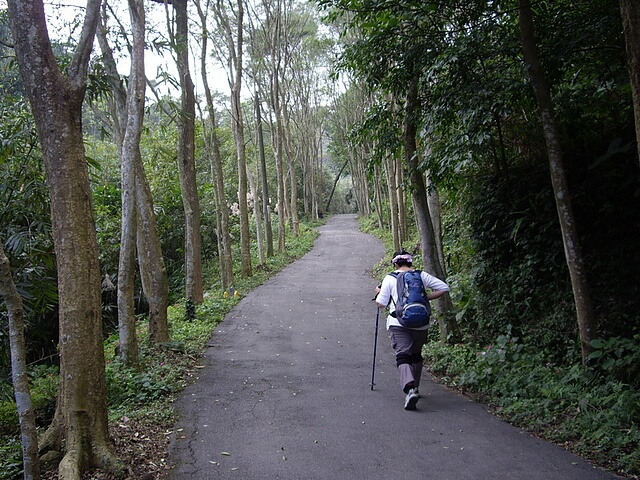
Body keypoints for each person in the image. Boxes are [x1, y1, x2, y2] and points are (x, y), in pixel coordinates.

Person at [375, 250, 450, 410]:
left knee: (403, 355)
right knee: (416, 355)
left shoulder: (390, 278)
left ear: (395, 263)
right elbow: (444, 287)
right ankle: (415, 385)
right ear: (410, 263)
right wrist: (425, 298)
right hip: (421, 323)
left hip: (398, 322)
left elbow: (381, 303)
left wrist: (379, 292)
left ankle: (410, 389)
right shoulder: (421, 275)